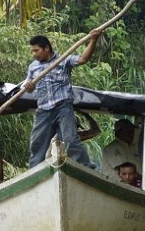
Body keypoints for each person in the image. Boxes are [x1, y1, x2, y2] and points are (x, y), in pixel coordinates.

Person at [25, 31, 100, 166]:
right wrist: (29, 86)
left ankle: (86, 167)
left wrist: (93, 40)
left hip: (62, 107)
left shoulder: (63, 60)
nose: (34, 54)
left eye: (36, 50)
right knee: (37, 142)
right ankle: (34, 171)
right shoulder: (33, 66)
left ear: (46, 48)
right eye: (32, 51)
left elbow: (83, 59)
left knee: (70, 139)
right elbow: (28, 87)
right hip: (43, 110)